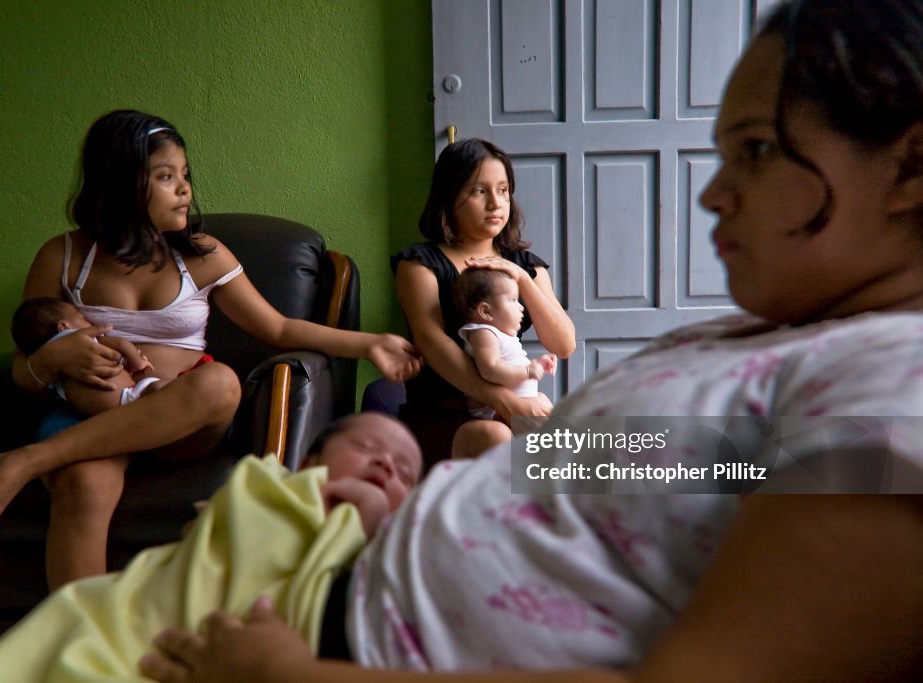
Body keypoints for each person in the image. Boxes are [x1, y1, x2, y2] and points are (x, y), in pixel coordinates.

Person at [138, 1, 923, 681]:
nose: (713, 193)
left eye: (755, 149)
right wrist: (387, 507)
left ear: (911, 164)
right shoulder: (764, 344)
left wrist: (289, 677)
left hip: (340, 642)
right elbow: (624, 470)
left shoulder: (897, 395)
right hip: (344, 561)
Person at [0, 109, 422, 591]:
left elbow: (280, 328)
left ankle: (29, 460)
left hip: (176, 426)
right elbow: (21, 369)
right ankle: (84, 653)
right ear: (120, 184)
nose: (184, 189)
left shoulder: (202, 255)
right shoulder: (64, 257)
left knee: (221, 384)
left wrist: (371, 344)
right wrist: (49, 360)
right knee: (82, 484)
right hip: (86, 420)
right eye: (165, 177)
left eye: (185, 175)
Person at [0, 412, 422, 682]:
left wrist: (369, 520)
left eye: (405, 473)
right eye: (366, 446)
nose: (385, 463)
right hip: (155, 624)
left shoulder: (400, 553)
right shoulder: (268, 489)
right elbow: (232, 533)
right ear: (307, 462)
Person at [392, 138, 575, 467]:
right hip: (446, 412)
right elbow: (431, 343)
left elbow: (563, 344)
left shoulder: (526, 264)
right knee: (497, 438)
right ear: (449, 196)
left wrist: (520, 278)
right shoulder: (420, 264)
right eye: (480, 191)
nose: (495, 203)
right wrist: (503, 401)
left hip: (515, 404)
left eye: (503, 190)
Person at [12, 296, 170, 414]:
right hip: (129, 396)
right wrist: (137, 361)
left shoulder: (52, 363)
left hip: (94, 417)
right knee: (159, 388)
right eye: (82, 318)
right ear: (63, 327)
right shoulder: (81, 341)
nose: (89, 322)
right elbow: (122, 344)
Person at [452, 267, 557, 426]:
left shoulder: (501, 334)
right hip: (495, 411)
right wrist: (528, 372)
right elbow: (490, 370)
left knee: (547, 405)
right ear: (486, 311)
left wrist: (538, 364)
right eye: (514, 300)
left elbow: (511, 361)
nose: (521, 307)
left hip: (520, 403)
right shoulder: (484, 333)